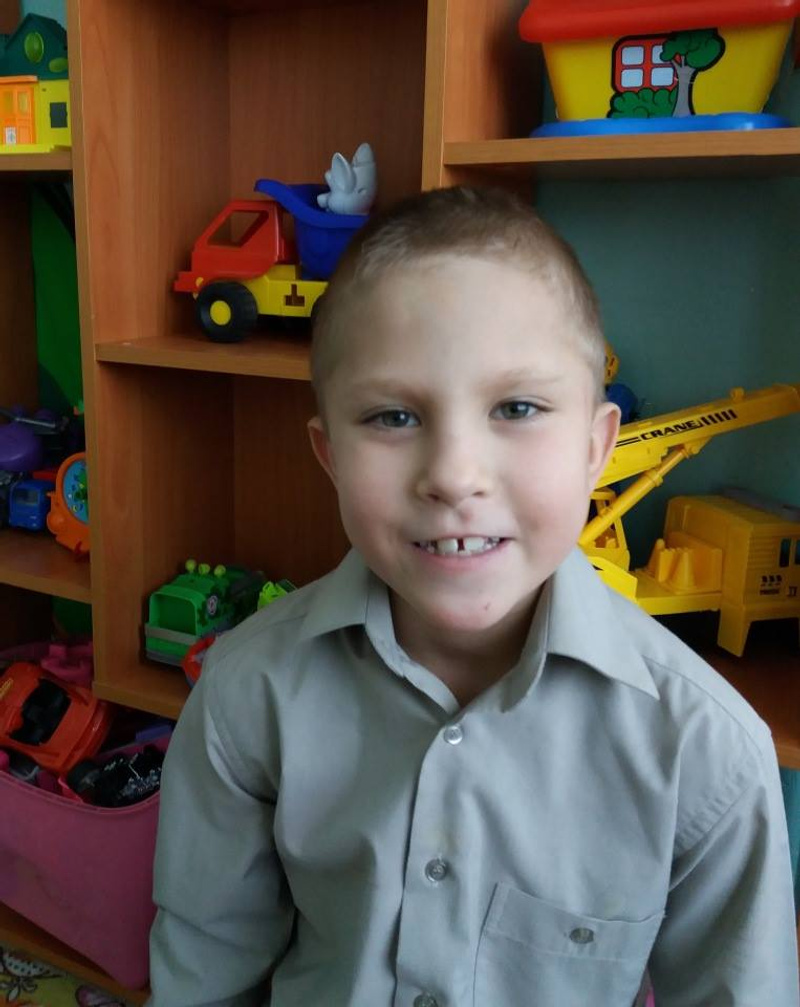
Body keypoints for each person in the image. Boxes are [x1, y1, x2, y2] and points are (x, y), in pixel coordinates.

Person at [146, 186, 799, 1007]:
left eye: (517, 407)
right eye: (393, 417)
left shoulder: (709, 752)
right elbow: (204, 974)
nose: (454, 475)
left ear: (596, 447)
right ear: (329, 454)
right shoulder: (246, 693)